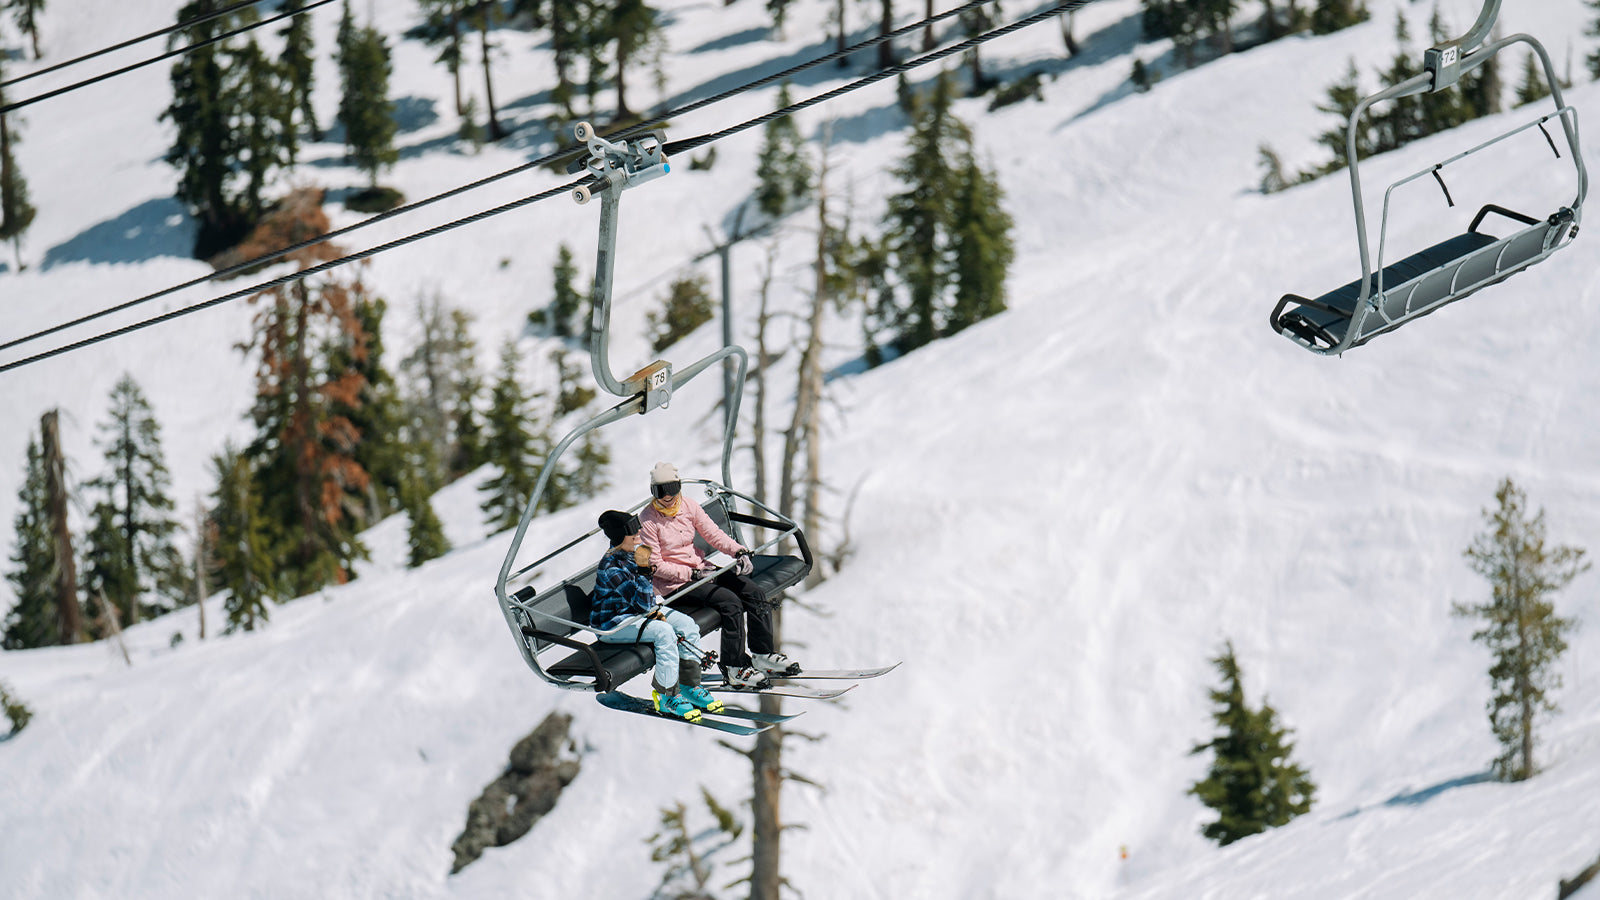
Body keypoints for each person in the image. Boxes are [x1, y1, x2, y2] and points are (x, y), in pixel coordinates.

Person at [637, 463, 801, 690]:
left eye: (672, 488)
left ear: (679, 486)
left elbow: (713, 534)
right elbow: (654, 565)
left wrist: (738, 551)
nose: (667, 497)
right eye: (660, 491)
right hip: (675, 586)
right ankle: (734, 667)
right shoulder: (647, 520)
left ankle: (762, 653)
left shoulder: (688, 506)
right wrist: (691, 573)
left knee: (754, 592)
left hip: (703, 571)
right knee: (730, 602)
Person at [592, 509, 724, 721]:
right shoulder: (611, 567)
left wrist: (654, 609)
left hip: (637, 613)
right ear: (620, 537)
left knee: (687, 625)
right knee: (663, 633)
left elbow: (646, 602)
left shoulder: (631, 555)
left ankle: (689, 685)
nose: (639, 536)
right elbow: (642, 602)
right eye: (633, 534)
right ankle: (666, 696)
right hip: (614, 624)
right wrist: (645, 572)